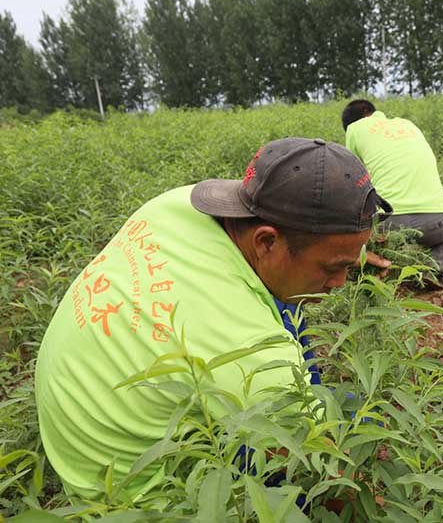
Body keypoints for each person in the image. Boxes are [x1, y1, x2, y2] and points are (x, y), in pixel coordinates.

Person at [34, 137, 392, 499]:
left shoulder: (174, 205)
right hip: (140, 498)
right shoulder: (246, 350)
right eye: (333, 267)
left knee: (288, 307)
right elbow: (332, 481)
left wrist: (338, 253)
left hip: (81, 414)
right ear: (267, 241)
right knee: (353, 421)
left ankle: (310, 402)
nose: (341, 283)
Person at [342, 100, 443, 280]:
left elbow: (354, 177)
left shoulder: (355, 128)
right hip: (438, 222)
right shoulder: (408, 125)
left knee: (353, 218)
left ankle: (376, 269)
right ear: (370, 111)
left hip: (387, 223)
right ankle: (432, 269)